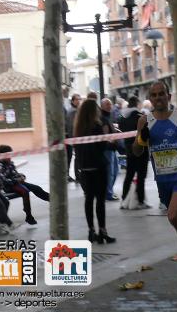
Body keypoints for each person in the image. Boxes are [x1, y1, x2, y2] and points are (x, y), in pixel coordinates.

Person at [132, 81, 177, 277]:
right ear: (150, 99)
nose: (158, 97)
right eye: (154, 95)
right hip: (162, 179)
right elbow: (136, 152)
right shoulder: (144, 121)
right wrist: (141, 138)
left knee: (173, 216)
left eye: (162, 94)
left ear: (169, 95)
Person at [73, 99, 116, 244]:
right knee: (100, 201)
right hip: (98, 168)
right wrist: (110, 141)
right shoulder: (97, 126)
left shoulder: (78, 129)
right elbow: (101, 147)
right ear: (93, 111)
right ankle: (102, 231)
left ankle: (91, 230)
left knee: (89, 199)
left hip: (85, 169)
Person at [0, 145, 49, 225]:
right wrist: (16, 180)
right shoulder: (0, 166)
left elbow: (15, 173)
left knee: (36, 188)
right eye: (8, 155)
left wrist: (21, 176)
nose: (10, 157)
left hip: (17, 183)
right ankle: (28, 215)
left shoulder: (10, 163)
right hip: (8, 186)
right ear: (2, 156)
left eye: (10, 154)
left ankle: (52, 199)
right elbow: (3, 181)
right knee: (25, 191)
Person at [118, 96, 150, 209]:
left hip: (128, 149)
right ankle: (140, 201)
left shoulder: (122, 117)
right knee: (141, 175)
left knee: (129, 175)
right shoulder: (139, 116)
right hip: (141, 149)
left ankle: (124, 198)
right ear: (137, 103)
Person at [101, 98, 121, 201]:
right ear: (102, 106)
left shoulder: (108, 115)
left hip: (112, 149)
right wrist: (112, 138)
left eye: (110, 104)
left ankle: (109, 191)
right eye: (107, 104)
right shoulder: (103, 117)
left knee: (115, 170)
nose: (110, 106)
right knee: (110, 172)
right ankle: (108, 193)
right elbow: (105, 135)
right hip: (107, 149)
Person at [65, 93, 81, 183]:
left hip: (74, 138)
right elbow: (71, 126)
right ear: (72, 101)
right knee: (75, 157)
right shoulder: (73, 111)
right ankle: (77, 176)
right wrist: (73, 140)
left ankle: (76, 175)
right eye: (77, 99)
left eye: (79, 99)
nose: (78, 101)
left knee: (74, 157)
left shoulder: (76, 110)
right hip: (74, 138)